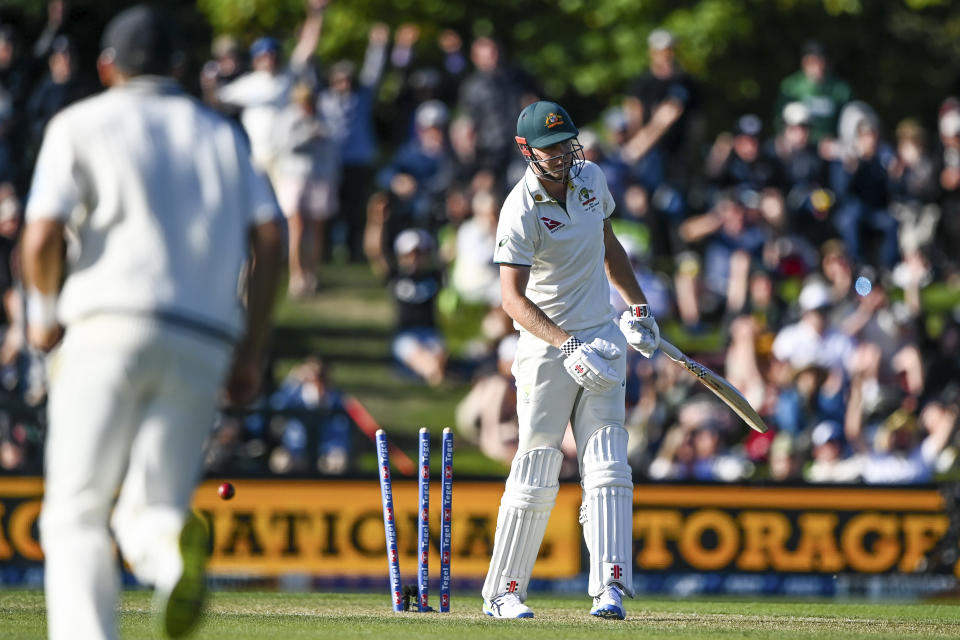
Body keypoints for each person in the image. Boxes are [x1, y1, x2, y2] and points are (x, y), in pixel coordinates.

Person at [21, 6, 283, 639]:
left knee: (75, 513)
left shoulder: (79, 122)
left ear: (107, 66)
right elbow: (272, 237)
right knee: (155, 506)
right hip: (202, 338)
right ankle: (170, 561)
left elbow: (41, 236)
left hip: (104, 325)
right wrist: (250, 350)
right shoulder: (221, 133)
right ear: (180, 68)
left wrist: (43, 315)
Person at [483, 100, 660, 620]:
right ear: (525, 150)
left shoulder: (591, 179)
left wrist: (639, 306)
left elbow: (611, 248)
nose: (563, 154)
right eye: (551, 147)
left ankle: (609, 587)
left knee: (608, 463)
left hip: (602, 340)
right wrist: (564, 344)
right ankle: (503, 593)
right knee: (538, 464)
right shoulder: (519, 207)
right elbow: (512, 300)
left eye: (567, 143)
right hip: (544, 349)